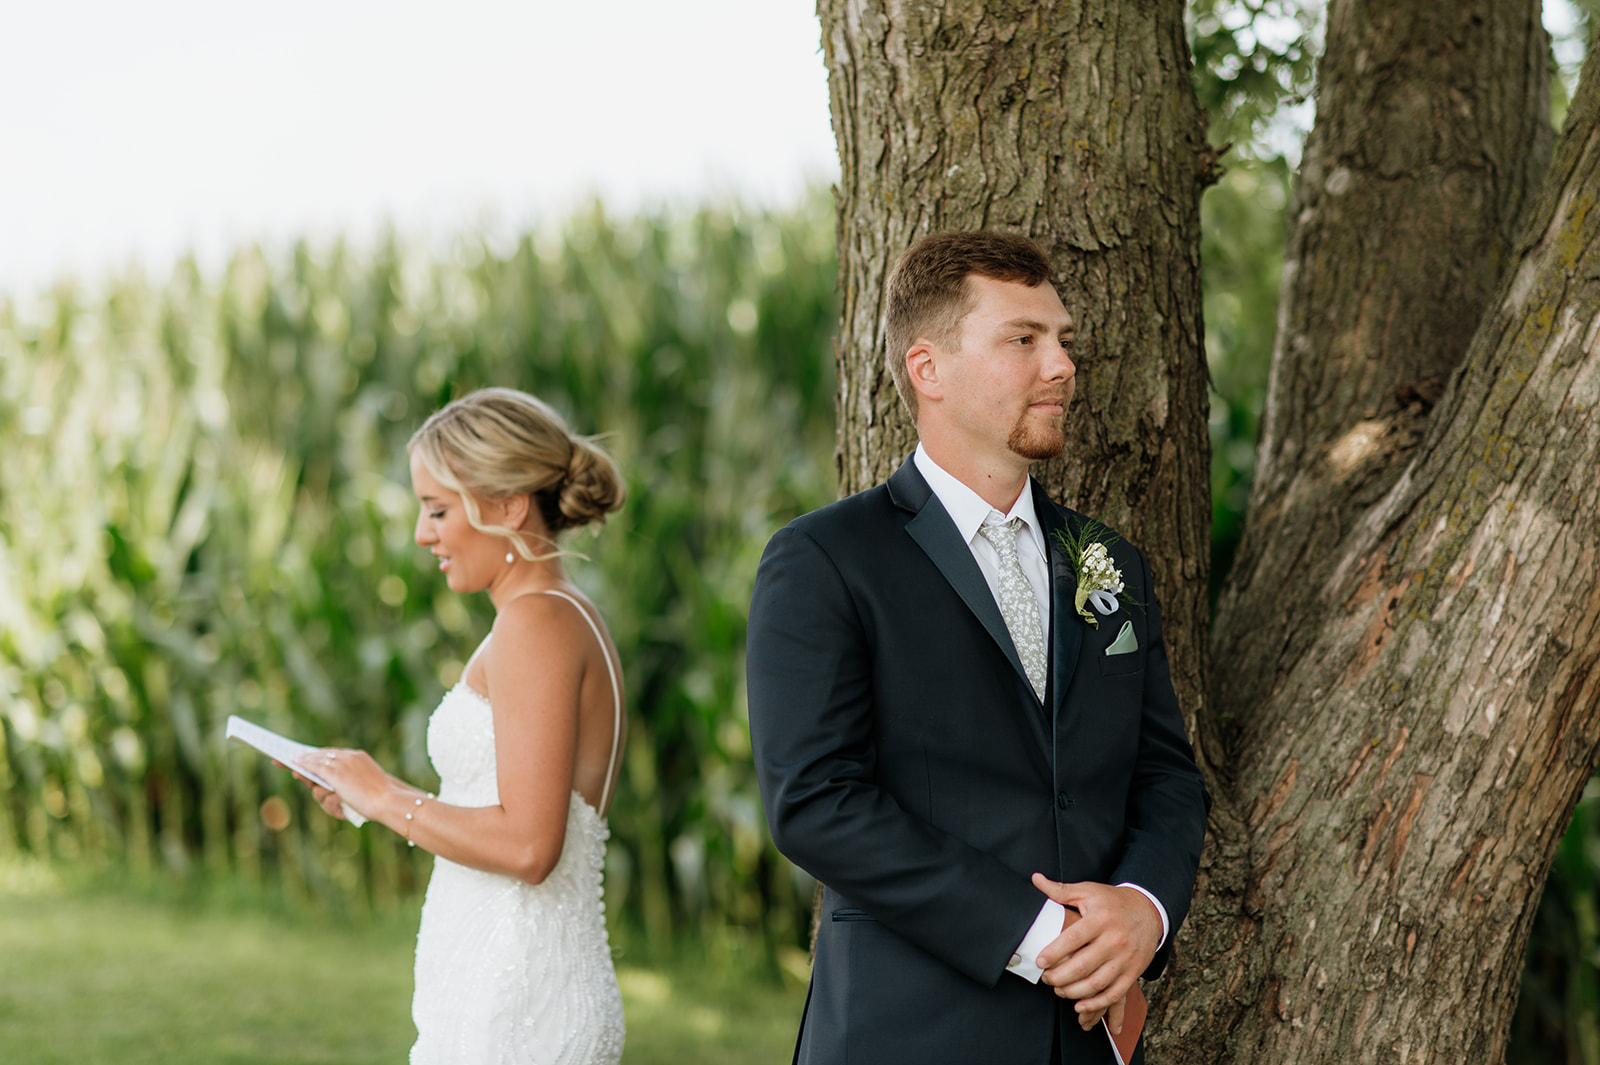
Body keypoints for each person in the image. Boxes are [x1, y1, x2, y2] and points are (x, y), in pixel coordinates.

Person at [746, 231, 1209, 1065]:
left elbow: (1166, 772)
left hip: (1087, 1043)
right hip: (907, 1033)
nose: (1062, 365)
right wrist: (1041, 937)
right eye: (1023, 340)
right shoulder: (827, 560)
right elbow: (815, 798)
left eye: (1063, 340)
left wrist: (1143, 907)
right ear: (928, 369)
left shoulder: (1111, 564)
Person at [296, 387, 628, 1065]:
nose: (423, 534)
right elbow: (501, 804)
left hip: (514, 1008)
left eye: (438, 509)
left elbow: (532, 845)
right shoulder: (555, 615)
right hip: (511, 989)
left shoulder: (536, 624)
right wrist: (366, 800)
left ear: (506, 505)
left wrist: (388, 794)